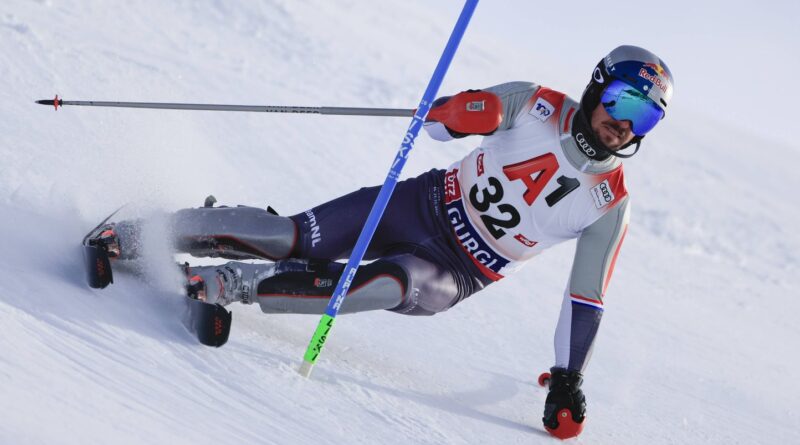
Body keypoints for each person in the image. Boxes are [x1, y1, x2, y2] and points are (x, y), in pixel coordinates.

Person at [99, 45, 673, 439]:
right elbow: (440, 124)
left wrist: (567, 377)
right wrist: (464, 112)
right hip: (418, 203)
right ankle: (139, 232)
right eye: (623, 102)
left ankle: (229, 284)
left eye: (644, 119)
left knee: (379, 285)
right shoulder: (536, 103)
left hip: (457, 269)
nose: (625, 125)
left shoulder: (609, 203)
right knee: (291, 235)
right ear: (599, 87)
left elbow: (586, 298)